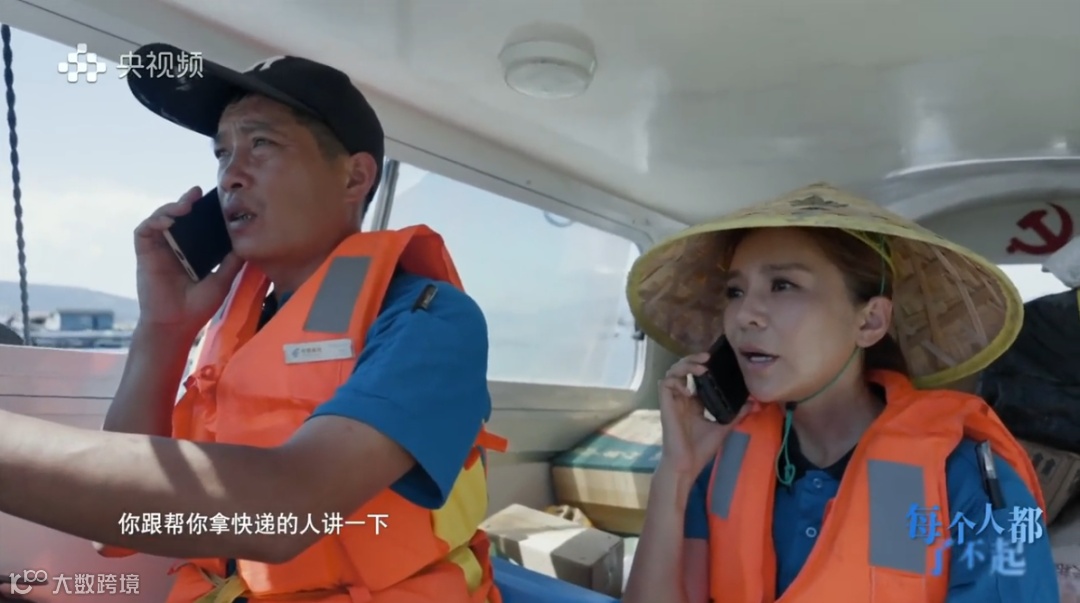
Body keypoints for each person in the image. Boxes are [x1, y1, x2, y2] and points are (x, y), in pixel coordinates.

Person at [0, 43, 507, 603]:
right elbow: (113, 529)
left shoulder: (430, 323)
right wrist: (164, 329)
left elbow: (285, 511)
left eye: (261, 144)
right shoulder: (241, 330)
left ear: (355, 177)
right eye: (222, 154)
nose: (231, 176)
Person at [621, 184, 1059, 603]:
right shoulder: (721, 463)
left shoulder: (968, 479)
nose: (743, 315)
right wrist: (675, 473)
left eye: (782, 285)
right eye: (735, 292)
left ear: (869, 322)